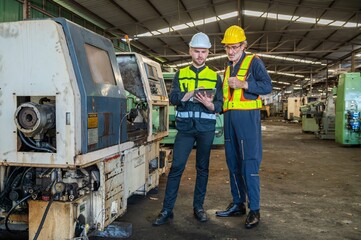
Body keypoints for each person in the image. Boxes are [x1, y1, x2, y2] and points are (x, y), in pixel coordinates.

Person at [152, 32, 223, 226]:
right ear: (190, 51)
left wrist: (210, 106)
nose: (200, 55)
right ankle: (166, 210)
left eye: (204, 51)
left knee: (203, 169)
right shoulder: (180, 74)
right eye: (196, 51)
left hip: (206, 129)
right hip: (185, 129)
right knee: (176, 167)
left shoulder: (215, 77)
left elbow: (221, 104)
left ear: (208, 53)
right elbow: (173, 98)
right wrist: (186, 95)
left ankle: (198, 208)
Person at [215, 25, 272, 229]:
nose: (231, 51)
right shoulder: (228, 66)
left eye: (235, 47)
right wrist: (212, 106)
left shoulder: (254, 62)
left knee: (249, 163)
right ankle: (238, 203)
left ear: (244, 45)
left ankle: (254, 209)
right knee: (233, 163)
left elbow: (267, 86)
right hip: (229, 120)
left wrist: (245, 85)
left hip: (247, 119)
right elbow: (226, 98)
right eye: (227, 47)